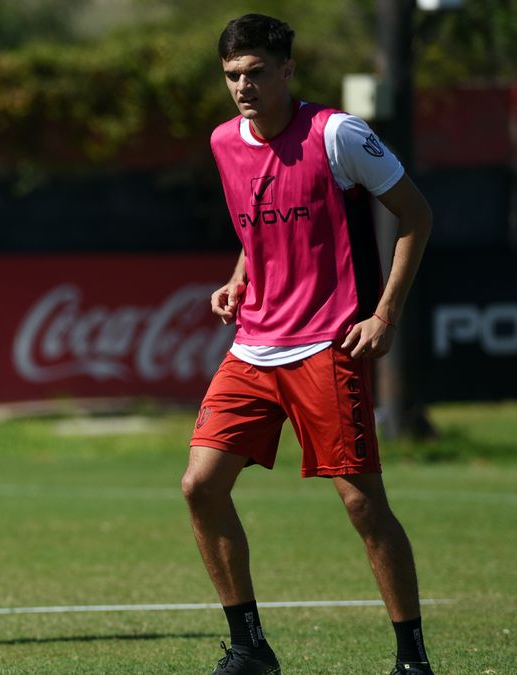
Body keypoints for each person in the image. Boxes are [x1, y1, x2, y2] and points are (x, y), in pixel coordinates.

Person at [182, 14, 435, 675]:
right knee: (200, 486)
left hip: (328, 342)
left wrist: (385, 314)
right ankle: (249, 647)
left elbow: (417, 214)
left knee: (361, 502)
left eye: (257, 72)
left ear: (287, 71)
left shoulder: (338, 133)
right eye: (233, 75)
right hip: (254, 344)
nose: (244, 85)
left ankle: (412, 659)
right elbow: (256, 222)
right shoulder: (223, 142)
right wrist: (239, 279)